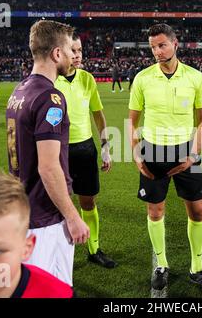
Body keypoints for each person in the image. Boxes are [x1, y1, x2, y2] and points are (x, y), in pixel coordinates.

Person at [128, 23, 202, 293]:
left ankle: (197, 267)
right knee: (155, 210)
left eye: (161, 45)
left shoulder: (195, 77)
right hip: (153, 150)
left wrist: (193, 155)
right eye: (153, 47)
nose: (157, 51)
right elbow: (133, 121)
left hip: (187, 151)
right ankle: (161, 264)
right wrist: (135, 152)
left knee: (198, 211)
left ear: (175, 43)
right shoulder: (142, 78)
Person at [6, 20, 90, 286]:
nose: (71, 56)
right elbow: (48, 167)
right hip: (45, 218)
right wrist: (72, 216)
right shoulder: (49, 97)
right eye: (68, 50)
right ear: (56, 53)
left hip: (24, 209)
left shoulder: (19, 91)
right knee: (55, 289)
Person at [55, 35, 116, 268]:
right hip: (58, 150)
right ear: (60, 52)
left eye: (80, 49)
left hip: (85, 148)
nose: (78, 54)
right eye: (73, 50)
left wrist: (105, 147)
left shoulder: (87, 79)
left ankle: (94, 249)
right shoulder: (51, 80)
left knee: (88, 202)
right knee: (60, 204)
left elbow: (98, 114)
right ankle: (60, 254)